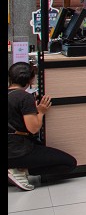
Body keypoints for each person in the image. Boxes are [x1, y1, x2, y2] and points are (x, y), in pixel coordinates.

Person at [8, 62, 77, 190]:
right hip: (18, 151)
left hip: (11, 149)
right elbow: (33, 128)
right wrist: (40, 112)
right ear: (30, 80)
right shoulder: (24, 97)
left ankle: (15, 169)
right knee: (69, 163)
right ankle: (19, 171)